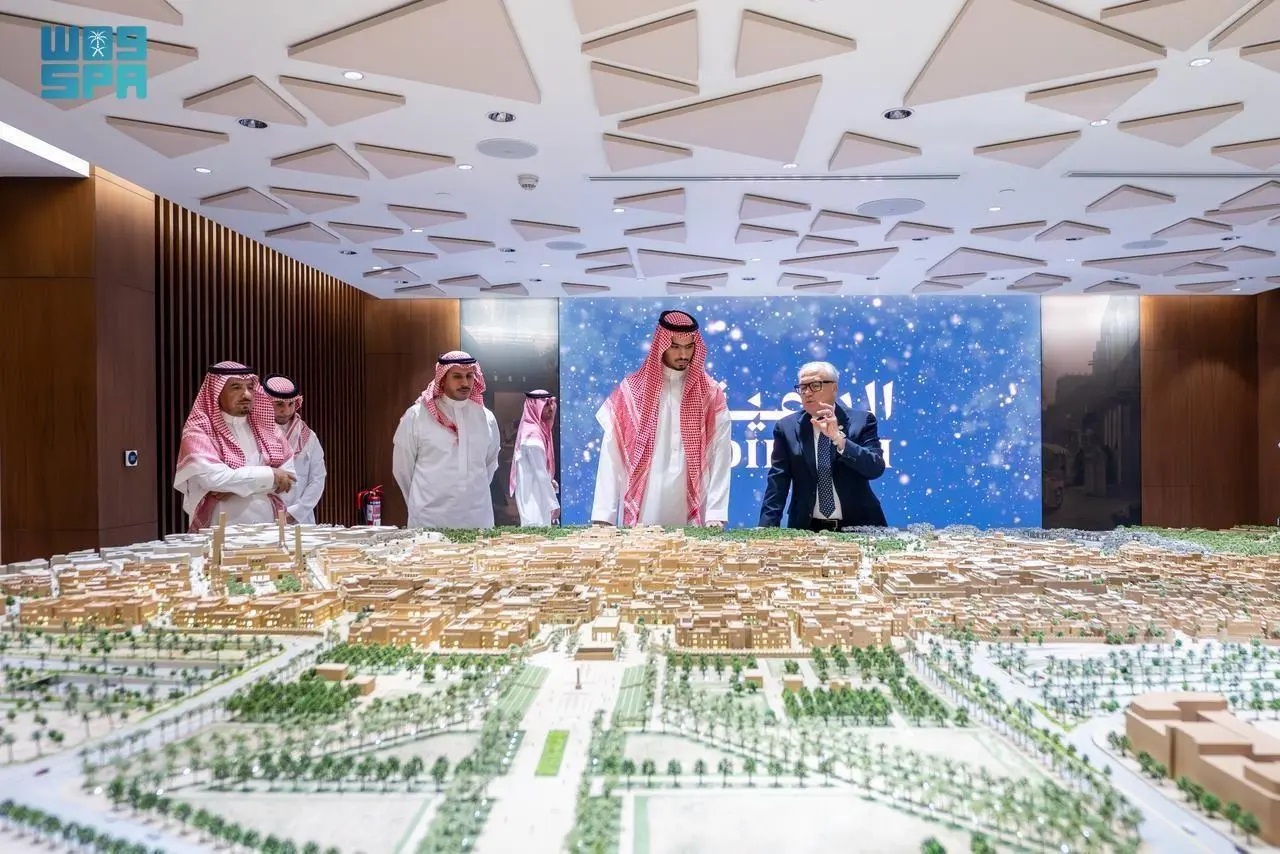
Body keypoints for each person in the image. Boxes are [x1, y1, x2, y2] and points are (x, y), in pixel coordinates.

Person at [591, 309, 731, 528]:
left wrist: (715, 512)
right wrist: (603, 514)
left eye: (689, 347)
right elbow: (611, 455)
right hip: (646, 504)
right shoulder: (632, 390)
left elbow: (721, 455)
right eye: (675, 347)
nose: (683, 354)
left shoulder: (710, 394)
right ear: (661, 344)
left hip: (692, 510)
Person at [759, 361, 887, 530]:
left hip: (860, 526)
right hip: (807, 528)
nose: (807, 392)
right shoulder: (786, 428)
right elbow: (778, 481)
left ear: (834, 388)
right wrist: (766, 529)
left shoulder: (862, 421)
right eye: (802, 387)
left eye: (815, 385)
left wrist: (839, 440)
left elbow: (875, 468)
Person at [173, 361, 296, 532]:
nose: (247, 394)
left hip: (268, 527)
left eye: (250, 387)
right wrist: (270, 475)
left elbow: (289, 478)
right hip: (221, 529)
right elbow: (213, 479)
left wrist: (234, 486)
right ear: (216, 392)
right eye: (236, 387)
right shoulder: (198, 430)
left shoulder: (267, 427)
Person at [393, 351, 500, 528]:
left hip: (477, 518)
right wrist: (418, 503)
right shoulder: (417, 416)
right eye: (457, 376)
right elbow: (402, 469)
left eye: (469, 376)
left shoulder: (486, 418)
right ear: (442, 379)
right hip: (429, 520)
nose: (465, 383)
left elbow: (489, 464)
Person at [263, 374, 327, 525]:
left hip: (300, 519)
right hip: (264, 516)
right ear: (265, 403)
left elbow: (318, 478)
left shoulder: (308, 436)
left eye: (291, 404)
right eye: (279, 404)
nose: (286, 410)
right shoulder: (255, 433)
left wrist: (296, 512)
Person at [510, 390, 560, 526]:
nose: (550, 409)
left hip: (538, 493)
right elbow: (540, 472)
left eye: (551, 404)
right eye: (545, 405)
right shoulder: (532, 435)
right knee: (535, 530)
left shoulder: (538, 430)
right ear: (534, 407)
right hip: (533, 497)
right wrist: (553, 503)